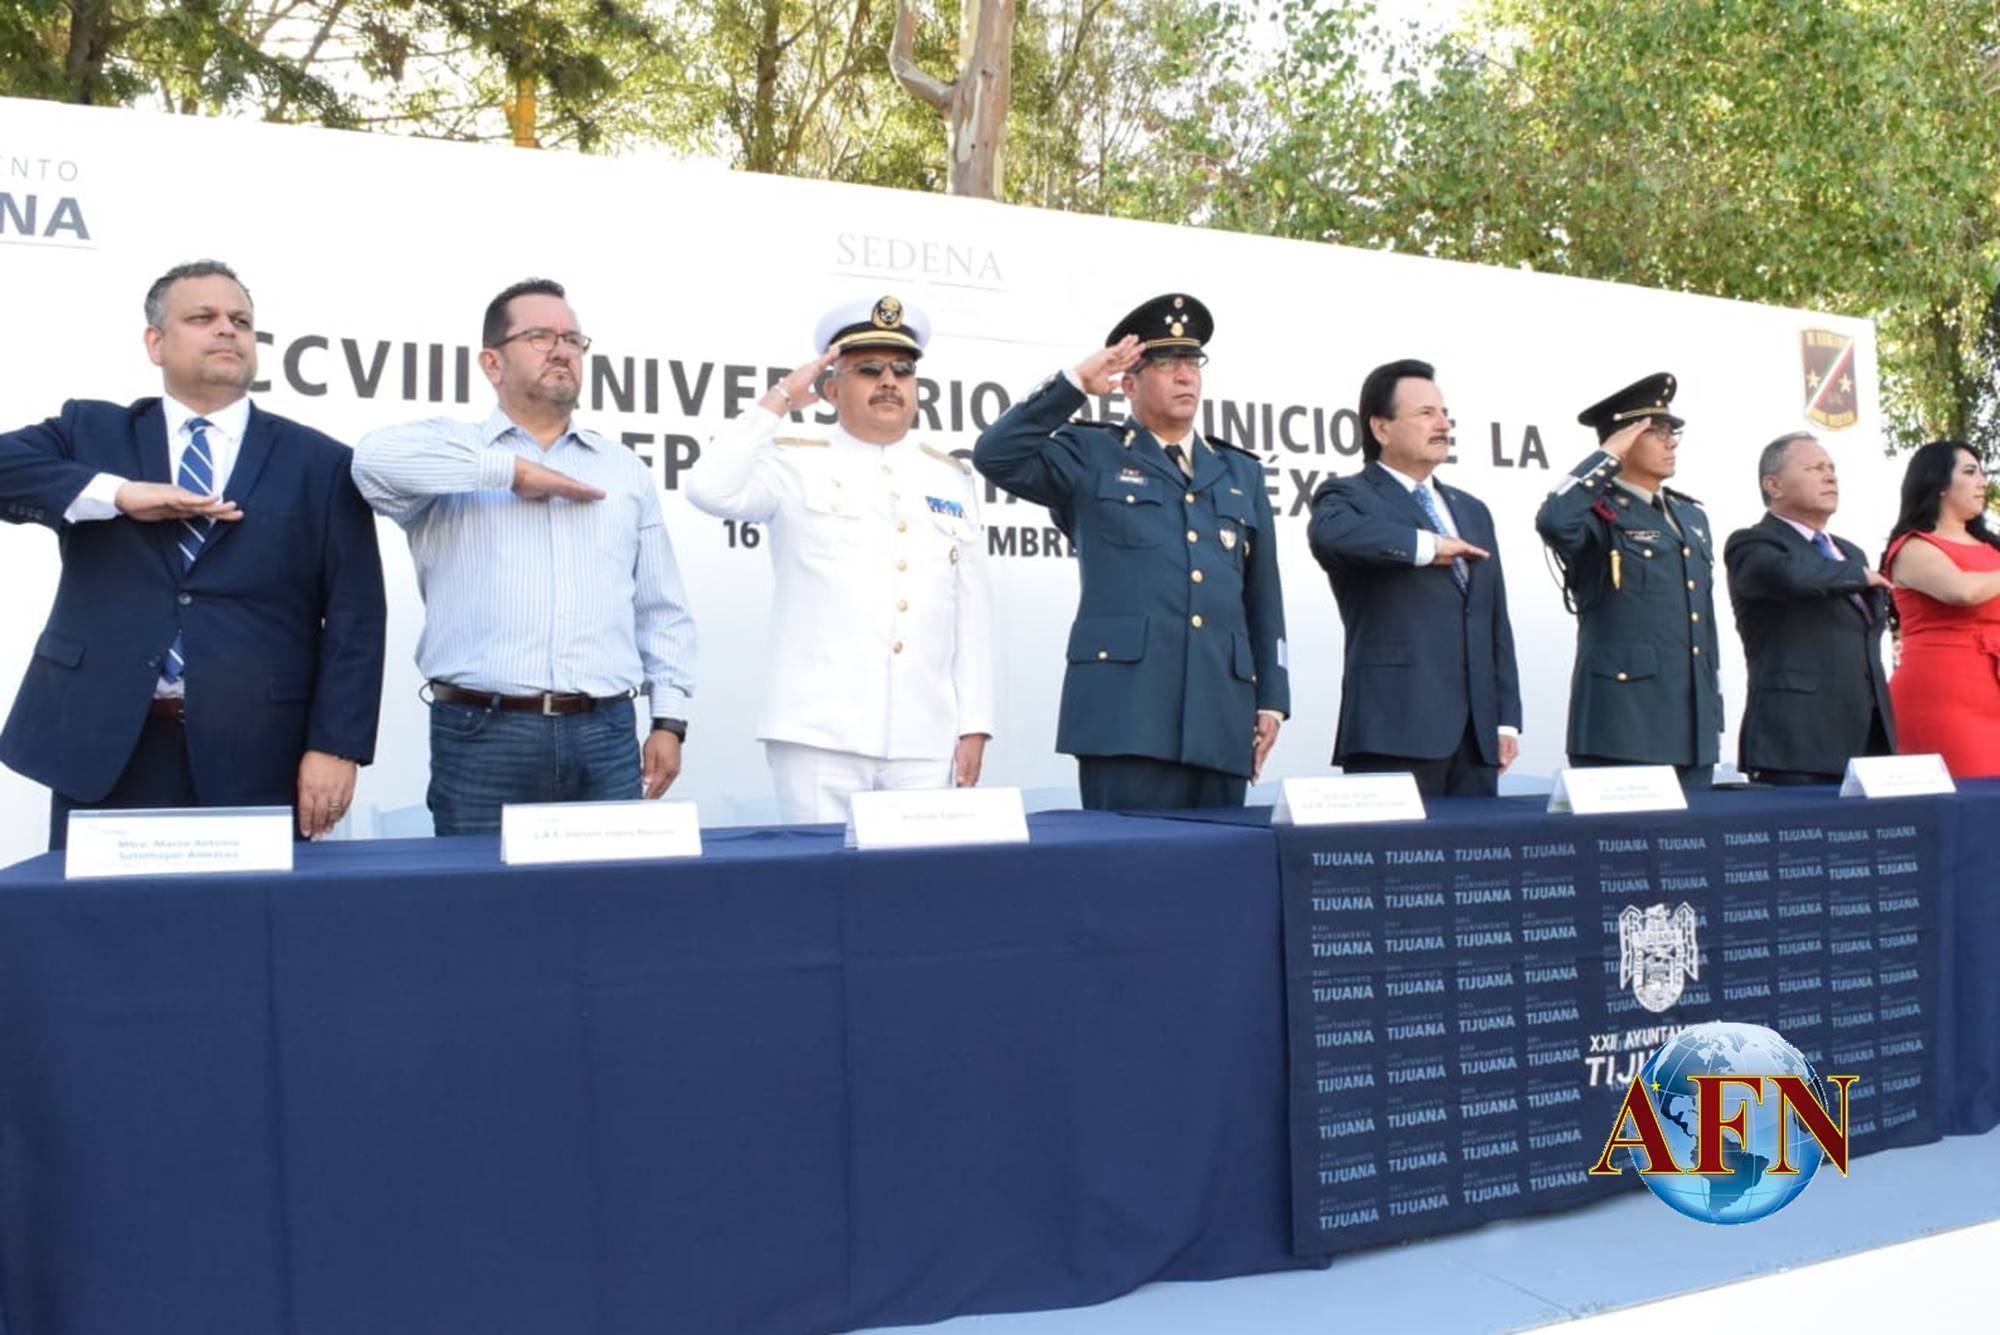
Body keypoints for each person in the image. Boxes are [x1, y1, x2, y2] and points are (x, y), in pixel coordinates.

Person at [0, 259, 386, 847]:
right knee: (101, 932)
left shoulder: (322, 463)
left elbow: (357, 619)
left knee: (244, 934)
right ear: (155, 343)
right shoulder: (92, 431)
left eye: (241, 320)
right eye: (203, 317)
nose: (227, 330)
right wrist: (120, 494)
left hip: (259, 752)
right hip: (105, 746)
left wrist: (336, 745)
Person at [351, 278, 695, 834]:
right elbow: (369, 461)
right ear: (493, 363)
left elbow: (661, 607)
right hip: (484, 733)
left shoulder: (622, 469)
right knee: (481, 911)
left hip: (605, 732)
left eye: (572, 339)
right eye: (539, 336)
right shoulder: (452, 454)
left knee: (607, 909)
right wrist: (512, 473)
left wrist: (669, 720)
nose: (562, 350)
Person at [973, 293, 1288, 810]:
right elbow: (996, 455)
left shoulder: (1240, 472)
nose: (1185, 376)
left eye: (1192, 364)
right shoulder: (1089, 454)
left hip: (1221, 716)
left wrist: (1272, 700)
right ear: (1127, 384)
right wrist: (1073, 384)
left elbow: (1263, 594)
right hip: (1125, 718)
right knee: (1126, 879)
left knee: (1224, 882)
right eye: (1165, 364)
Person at [685, 296, 993, 822]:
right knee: (819, 893)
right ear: (830, 389)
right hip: (817, 735)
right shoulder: (793, 464)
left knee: (916, 894)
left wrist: (974, 724)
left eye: (902, 370)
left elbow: (973, 613)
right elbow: (710, 489)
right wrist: (780, 398)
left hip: (925, 736)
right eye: (868, 370)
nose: (889, 381)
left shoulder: (949, 477)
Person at [1306, 358, 1521, 796]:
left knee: (1477, 863)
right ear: (1381, 428)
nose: (1442, 424)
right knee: (1395, 864)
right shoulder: (1348, 495)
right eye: (1426, 414)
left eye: (1444, 414)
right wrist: (1428, 547)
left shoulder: (1471, 510)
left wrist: (1505, 719)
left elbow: (1493, 620)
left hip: (1475, 739)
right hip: (1394, 728)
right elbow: (1331, 535)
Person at [1535, 372, 1722, 785]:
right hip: (1621, 727)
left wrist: (1712, 712)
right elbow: (1553, 521)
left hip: (1692, 730)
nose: (1671, 441)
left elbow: (1702, 625)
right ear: (1622, 440)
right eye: (1655, 432)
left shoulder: (1690, 516)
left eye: (1673, 432)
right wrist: (1606, 458)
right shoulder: (1594, 509)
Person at [1723, 432, 1895, 784]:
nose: (1830, 476)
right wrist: (1859, 575)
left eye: (1831, 468)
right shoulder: (1752, 543)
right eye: (1815, 468)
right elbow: (1790, 576)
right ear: (1774, 485)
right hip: (1796, 743)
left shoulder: (1849, 551)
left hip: (1867, 739)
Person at [1880, 439, 2000, 777]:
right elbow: (1962, 591)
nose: (1982, 482)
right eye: (1969, 472)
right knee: (1970, 808)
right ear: (1939, 484)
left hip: (1994, 690)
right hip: (1946, 700)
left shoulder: (1992, 548)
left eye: (1982, 473)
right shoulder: (1914, 546)